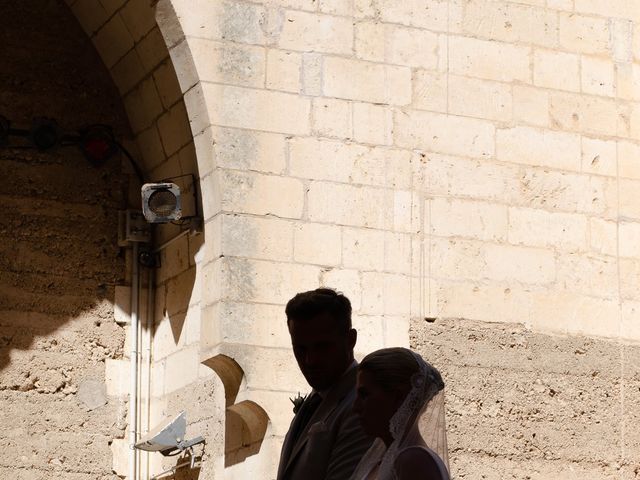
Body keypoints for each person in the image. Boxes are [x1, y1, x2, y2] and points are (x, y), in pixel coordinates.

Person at [277, 288, 375, 480]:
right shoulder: (314, 402)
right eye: (300, 349)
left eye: (322, 347)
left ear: (350, 340)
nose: (310, 360)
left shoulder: (360, 406)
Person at [350, 348, 450, 480]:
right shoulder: (383, 459)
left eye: (364, 395)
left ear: (399, 398)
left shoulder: (414, 461)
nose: (355, 407)